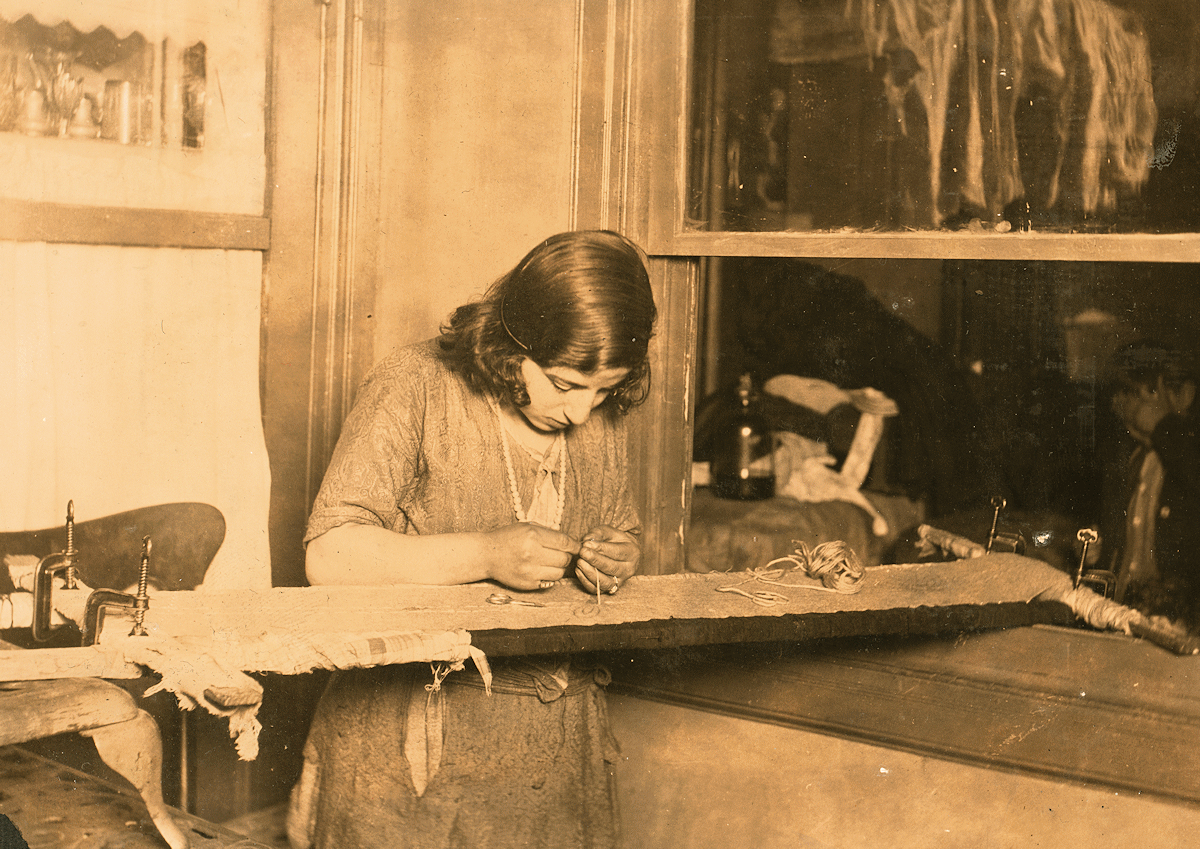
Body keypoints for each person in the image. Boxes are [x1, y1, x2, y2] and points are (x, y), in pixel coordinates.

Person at [287, 230, 657, 849]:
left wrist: (617, 558)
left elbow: (622, 532)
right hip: (414, 750)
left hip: (555, 752)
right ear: (515, 346)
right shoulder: (417, 383)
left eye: (606, 390)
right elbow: (329, 555)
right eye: (565, 384)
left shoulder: (596, 415)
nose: (583, 413)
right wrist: (484, 553)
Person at [1102, 339, 1200, 631]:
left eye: (1147, 392)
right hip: (1126, 617)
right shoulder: (1135, 458)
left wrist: (1163, 424)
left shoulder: (1187, 458)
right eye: (1126, 394)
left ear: (1184, 394)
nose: (1130, 405)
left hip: (1178, 626)